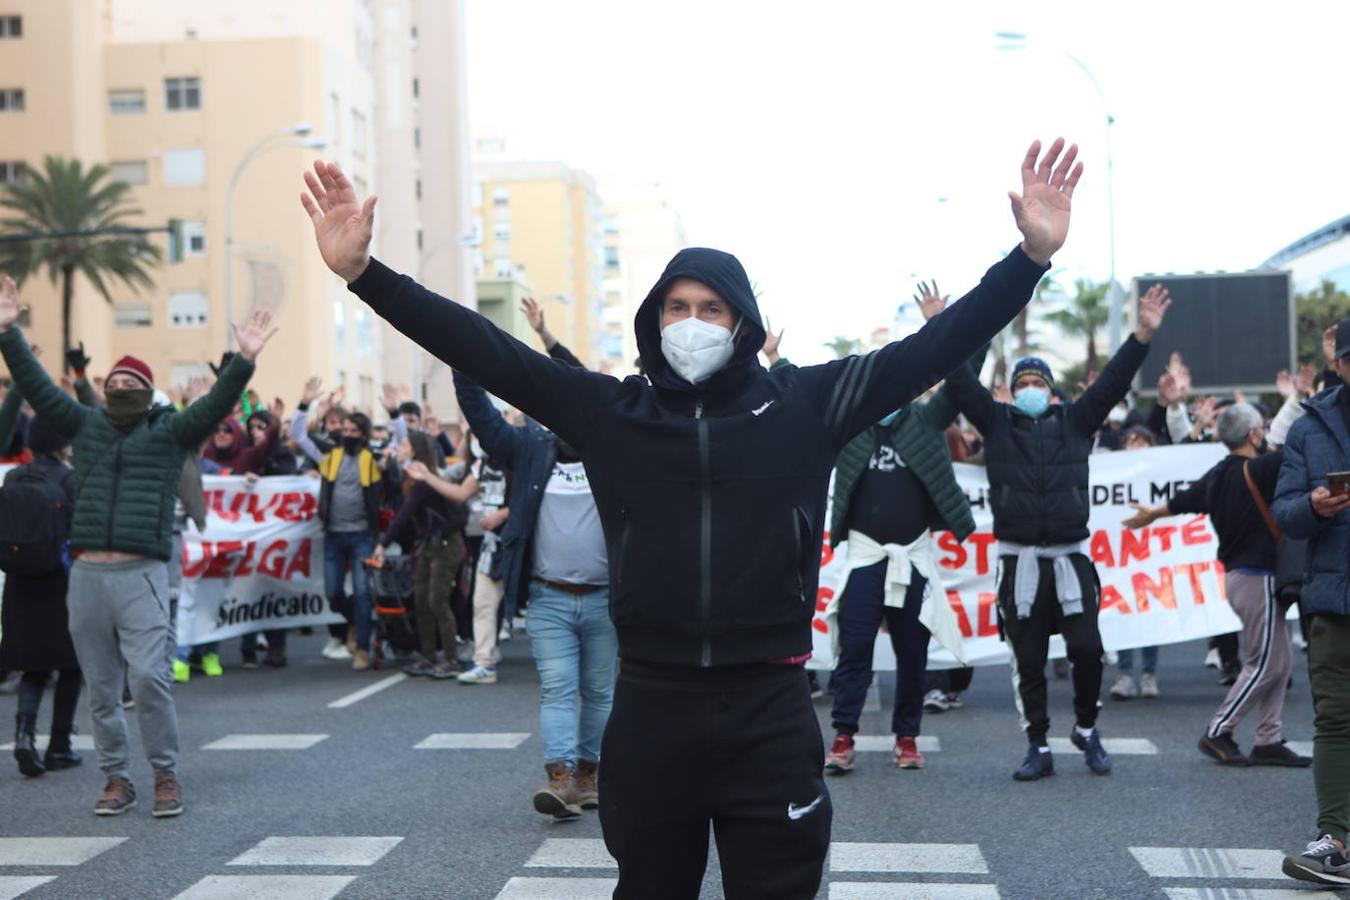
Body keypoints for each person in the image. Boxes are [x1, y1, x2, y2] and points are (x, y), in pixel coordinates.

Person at [301, 138, 1082, 897]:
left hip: (771, 709)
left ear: (742, 321)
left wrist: (1029, 262)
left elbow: (933, 345)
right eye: (676, 307)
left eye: (710, 308)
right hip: (650, 708)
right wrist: (365, 275)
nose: (692, 322)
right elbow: (488, 349)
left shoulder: (806, 404)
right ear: (654, 317)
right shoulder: (610, 411)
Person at [0, 275, 274, 817]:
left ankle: (165, 775)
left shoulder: (171, 431)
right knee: (101, 689)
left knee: (149, 679)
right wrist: (7, 332)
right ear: (104, 390)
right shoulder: (86, 424)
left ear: (147, 392)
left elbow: (218, 402)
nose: (121, 383)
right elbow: (36, 387)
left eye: (133, 379)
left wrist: (243, 359)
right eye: (115, 378)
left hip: (141, 574)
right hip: (87, 578)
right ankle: (116, 779)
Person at [946, 283, 1173, 782]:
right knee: (1027, 660)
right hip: (1019, 563)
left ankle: (1087, 730)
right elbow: (959, 383)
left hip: (1071, 560)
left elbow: (1113, 382)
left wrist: (1141, 335)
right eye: (1021, 380)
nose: (1029, 388)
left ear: (1050, 389)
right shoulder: (997, 424)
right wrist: (943, 326)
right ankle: (1037, 745)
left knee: (1089, 649)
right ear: (1012, 388)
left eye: (1037, 381)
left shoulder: (1076, 421)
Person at [821, 282, 982, 775]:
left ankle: (906, 737)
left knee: (914, 650)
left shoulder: (928, 421)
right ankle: (844, 736)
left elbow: (963, 382)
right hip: (868, 556)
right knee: (856, 648)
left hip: (912, 555)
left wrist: (940, 327)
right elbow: (800, 403)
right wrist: (775, 357)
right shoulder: (851, 427)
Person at [456, 364, 616, 820]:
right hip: (550, 598)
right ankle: (560, 777)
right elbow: (485, 422)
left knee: (600, 692)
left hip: (606, 599)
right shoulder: (531, 449)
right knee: (559, 689)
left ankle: (589, 777)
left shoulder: (611, 451)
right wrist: (462, 365)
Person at [1126, 403, 1309, 766]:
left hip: (1241, 578)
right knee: (1265, 664)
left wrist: (1152, 514)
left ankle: (1268, 738)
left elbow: (1183, 501)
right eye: (1260, 429)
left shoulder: (1219, 474)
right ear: (1253, 435)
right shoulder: (1262, 469)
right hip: (1259, 577)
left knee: (1281, 661)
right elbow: (1300, 448)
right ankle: (1218, 730)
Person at [1274, 318, 1350, 887]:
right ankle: (1337, 842)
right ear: (1340, 364)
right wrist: (1317, 506)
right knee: (1336, 720)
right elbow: (1286, 512)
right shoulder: (1311, 423)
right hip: (1332, 595)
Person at [0, 387, 82, 778]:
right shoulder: (69, 480)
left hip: (19, 583)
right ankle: (60, 746)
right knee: (70, 666)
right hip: (60, 584)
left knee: (33, 666)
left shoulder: (15, 476)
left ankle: (23, 736)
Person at [290, 378, 387, 670]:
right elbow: (298, 435)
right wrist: (305, 403)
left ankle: (362, 649)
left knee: (361, 592)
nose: (348, 434)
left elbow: (402, 443)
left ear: (364, 435)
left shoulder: (373, 459)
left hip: (361, 537)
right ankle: (358, 624)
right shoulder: (328, 456)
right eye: (345, 430)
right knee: (333, 593)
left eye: (354, 431)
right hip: (333, 535)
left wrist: (394, 414)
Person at [374, 432, 476, 678]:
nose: (399, 447)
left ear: (416, 450)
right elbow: (395, 498)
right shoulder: (413, 477)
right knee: (421, 600)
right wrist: (388, 467)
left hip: (446, 544)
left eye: (404, 444)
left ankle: (450, 658)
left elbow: (403, 516)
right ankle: (428, 655)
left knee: (437, 601)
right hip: (427, 545)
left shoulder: (424, 481)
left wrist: (381, 546)